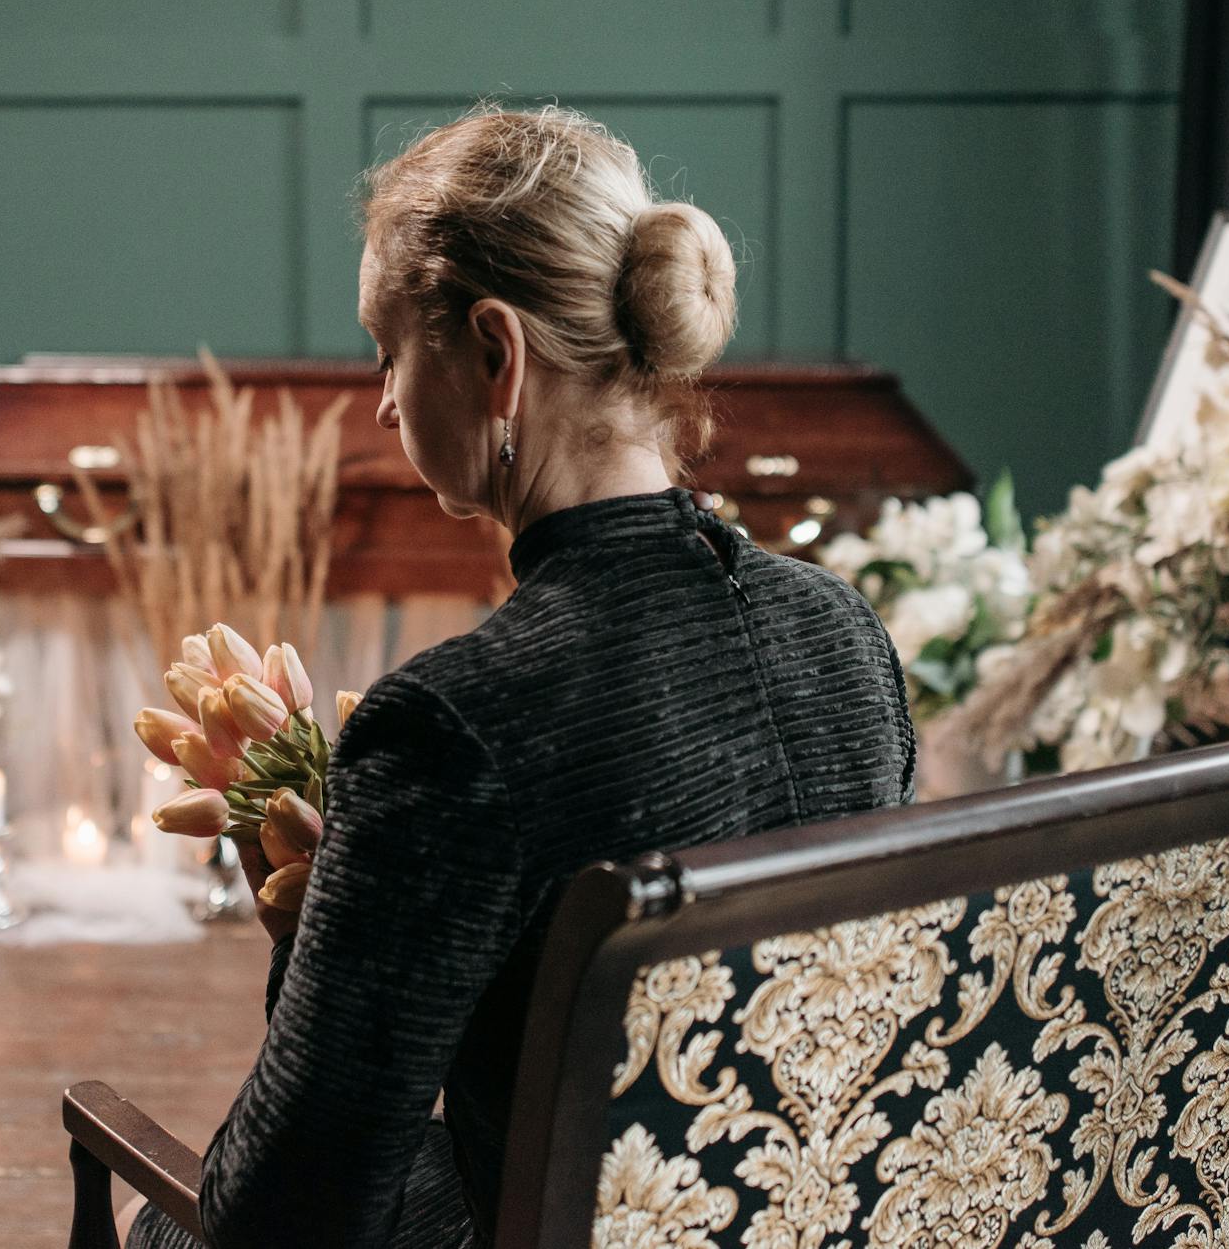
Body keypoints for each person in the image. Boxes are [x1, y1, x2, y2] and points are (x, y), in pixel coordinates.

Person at [121, 105, 916, 1249]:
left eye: (389, 349)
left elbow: (287, 1211)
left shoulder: (452, 727)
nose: (384, 399)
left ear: (496, 354)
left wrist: (310, 921)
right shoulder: (841, 632)